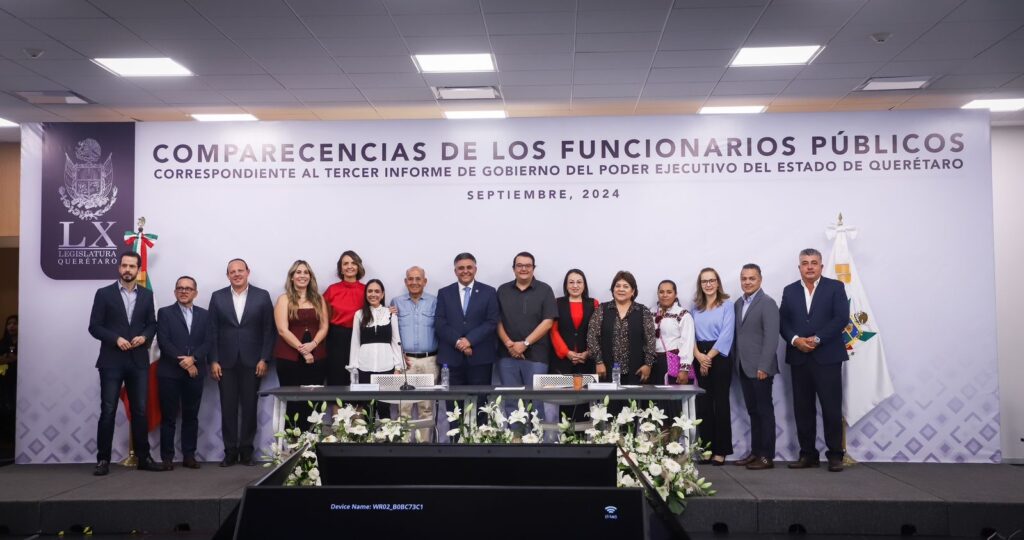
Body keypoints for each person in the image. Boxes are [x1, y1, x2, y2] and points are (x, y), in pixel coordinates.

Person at [87, 251, 161, 475]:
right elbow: (94, 327)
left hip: (138, 361)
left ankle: (143, 458)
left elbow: (152, 324)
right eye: (124, 265)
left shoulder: (147, 295)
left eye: (132, 266)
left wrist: (145, 337)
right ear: (119, 268)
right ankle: (103, 460)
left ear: (138, 269)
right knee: (108, 410)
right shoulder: (104, 294)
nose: (128, 269)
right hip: (111, 361)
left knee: (140, 410)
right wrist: (115, 339)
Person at [779, 248, 849, 472]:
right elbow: (783, 321)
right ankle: (807, 454)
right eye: (805, 263)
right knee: (803, 409)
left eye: (814, 262)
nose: (809, 266)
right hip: (799, 357)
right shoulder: (789, 290)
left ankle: (835, 455)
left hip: (827, 357)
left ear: (821, 266)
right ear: (799, 267)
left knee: (831, 408)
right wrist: (795, 340)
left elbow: (841, 318)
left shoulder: (835, 287)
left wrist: (818, 339)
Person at [208, 258, 275, 467]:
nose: (236, 274)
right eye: (232, 271)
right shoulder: (217, 297)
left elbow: (269, 330)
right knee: (228, 408)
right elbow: (212, 331)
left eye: (240, 270)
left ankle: (246, 452)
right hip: (225, 362)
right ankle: (230, 452)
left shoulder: (262, 296)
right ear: (228, 275)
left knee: (249, 407)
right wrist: (213, 360)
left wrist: (264, 358)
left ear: (248, 272)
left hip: (253, 361)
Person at [435, 253, 499, 425]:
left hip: (480, 359)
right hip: (451, 359)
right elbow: (440, 323)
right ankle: (456, 440)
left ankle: (481, 440)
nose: (465, 271)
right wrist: (459, 342)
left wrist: (469, 340)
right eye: (461, 268)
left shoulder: (489, 292)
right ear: (455, 271)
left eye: (469, 267)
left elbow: (492, 321)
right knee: (454, 409)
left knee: (481, 407)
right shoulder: (444, 293)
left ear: (475, 269)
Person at [156, 276, 212, 470]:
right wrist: (187, 363)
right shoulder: (164, 313)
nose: (184, 291)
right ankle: (167, 458)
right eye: (180, 288)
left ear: (195, 293)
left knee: (191, 416)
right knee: (168, 417)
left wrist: (194, 358)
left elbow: (209, 341)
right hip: (169, 373)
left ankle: (189, 456)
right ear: (175, 292)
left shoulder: (205, 315)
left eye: (188, 288)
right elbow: (164, 342)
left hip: (195, 373)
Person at [497, 252, 557, 416]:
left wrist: (524, 344)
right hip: (507, 355)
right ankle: (516, 434)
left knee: (537, 402)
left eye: (528, 265)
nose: (523, 269)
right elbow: (496, 320)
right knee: (511, 402)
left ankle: (536, 434)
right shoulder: (502, 290)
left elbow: (548, 322)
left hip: (536, 356)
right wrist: (509, 344)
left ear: (533, 268)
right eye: (519, 265)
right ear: (514, 269)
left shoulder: (545, 290)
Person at [732, 264, 780, 471]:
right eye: (744, 278)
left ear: (760, 279)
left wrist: (764, 366)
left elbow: (771, 337)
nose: (747, 282)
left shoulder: (768, 303)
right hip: (743, 366)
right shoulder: (738, 303)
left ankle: (767, 456)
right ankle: (756, 452)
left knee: (764, 411)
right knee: (753, 411)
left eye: (752, 278)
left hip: (760, 368)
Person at [272, 260, 328, 431]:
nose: (302, 275)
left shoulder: (319, 299)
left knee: (314, 403)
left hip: (317, 358)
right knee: (293, 403)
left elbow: (324, 326)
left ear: (310, 277)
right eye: (298, 272)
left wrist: (314, 344)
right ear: (291, 277)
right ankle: (293, 442)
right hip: (289, 360)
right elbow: (282, 330)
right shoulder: (283, 299)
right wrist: (304, 350)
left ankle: (312, 441)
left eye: (305, 272)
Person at [691, 267, 735, 466]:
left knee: (721, 404)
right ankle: (707, 448)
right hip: (699, 354)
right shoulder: (696, 308)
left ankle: (721, 450)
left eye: (711, 280)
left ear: (718, 283)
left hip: (720, 355)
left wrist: (708, 358)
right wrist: (699, 356)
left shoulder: (727, 306)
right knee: (704, 405)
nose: (708, 284)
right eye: (704, 281)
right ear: (700, 285)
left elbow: (727, 334)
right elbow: (690, 335)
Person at [391, 266, 438, 442]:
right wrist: (398, 355)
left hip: (429, 360)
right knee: (404, 407)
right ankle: (404, 447)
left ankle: (424, 447)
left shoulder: (435, 302)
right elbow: (390, 332)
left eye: (418, 279)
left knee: (426, 407)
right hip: (406, 361)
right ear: (405, 281)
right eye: (410, 279)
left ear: (425, 281)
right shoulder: (396, 302)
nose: (414, 282)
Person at [587, 271, 656, 385]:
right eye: (617, 286)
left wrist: (648, 365)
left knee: (632, 397)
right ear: (613, 289)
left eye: (626, 286)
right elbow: (592, 336)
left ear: (633, 291)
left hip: (637, 370)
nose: (621, 289)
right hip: (605, 369)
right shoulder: (602, 309)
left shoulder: (643, 311)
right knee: (607, 397)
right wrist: (598, 362)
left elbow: (650, 340)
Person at [550, 269, 599, 422]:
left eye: (579, 282)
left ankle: (584, 435)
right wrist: (567, 352)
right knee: (565, 402)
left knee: (584, 402)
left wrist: (588, 352)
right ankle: (566, 435)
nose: (575, 285)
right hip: (563, 361)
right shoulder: (557, 303)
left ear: (584, 285)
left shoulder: (593, 303)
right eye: (571, 282)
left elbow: (597, 331)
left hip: (586, 360)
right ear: (566, 285)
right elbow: (553, 331)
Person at [349, 279, 403, 420]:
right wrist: (354, 368)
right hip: (364, 368)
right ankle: (368, 435)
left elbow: (396, 341)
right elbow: (355, 342)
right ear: (366, 294)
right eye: (370, 291)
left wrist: (398, 367)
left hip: (387, 367)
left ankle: (386, 435)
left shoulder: (390, 314)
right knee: (367, 409)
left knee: (385, 408)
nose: (373, 294)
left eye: (377, 291)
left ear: (382, 294)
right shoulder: (359, 314)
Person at [323, 250, 366, 387]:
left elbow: (377, 312)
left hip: (361, 337)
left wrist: (389, 311)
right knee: (337, 378)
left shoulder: (367, 290)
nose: (349, 266)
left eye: (353, 263)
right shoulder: (332, 290)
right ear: (341, 268)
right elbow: (322, 316)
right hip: (337, 339)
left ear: (358, 266)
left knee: (360, 378)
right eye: (345, 263)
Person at [653, 279, 695, 420]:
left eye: (669, 292)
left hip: (673, 362)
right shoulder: (651, 312)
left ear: (675, 294)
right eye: (661, 292)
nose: (665, 295)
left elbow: (687, 342)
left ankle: (674, 434)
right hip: (654, 363)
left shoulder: (683, 315)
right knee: (655, 406)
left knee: (672, 406)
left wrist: (684, 369)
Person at [0, 315, 14, 462]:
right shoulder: (3, 343)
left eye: (15, 323)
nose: (12, 326)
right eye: (9, 323)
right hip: (5, 380)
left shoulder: (25, 342)